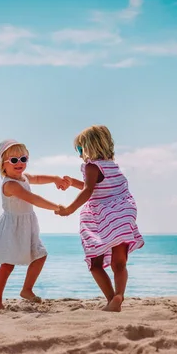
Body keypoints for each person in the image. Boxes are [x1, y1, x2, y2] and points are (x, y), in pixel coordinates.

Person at [57, 125, 144, 312]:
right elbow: (96, 185)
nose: (79, 154)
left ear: (89, 147)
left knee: (95, 264)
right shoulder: (112, 166)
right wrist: (73, 183)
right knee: (119, 263)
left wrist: (70, 209)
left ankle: (111, 298)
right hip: (122, 213)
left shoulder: (91, 166)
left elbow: (89, 190)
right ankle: (119, 296)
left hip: (104, 216)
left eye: (80, 149)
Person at [0, 139, 69, 309]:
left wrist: (55, 179)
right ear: (3, 165)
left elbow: (37, 178)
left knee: (40, 255)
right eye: (14, 160)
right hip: (12, 228)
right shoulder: (10, 185)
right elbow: (33, 199)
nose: (19, 163)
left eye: (24, 159)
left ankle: (27, 289)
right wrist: (56, 207)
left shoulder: (24, 178)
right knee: (7, 265)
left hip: (27, 225)